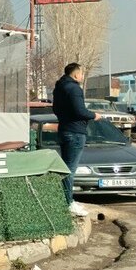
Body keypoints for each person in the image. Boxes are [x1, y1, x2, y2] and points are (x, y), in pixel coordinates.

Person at [52, 62, 101, 217]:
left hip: (64, 130)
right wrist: (94, 115)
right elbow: (80, 111)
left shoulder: (59, 88)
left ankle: (65, 200)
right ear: (75, 74)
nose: (82, 76)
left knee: (66, 167)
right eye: (82, 73)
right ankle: (68, 203)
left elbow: (55, 109)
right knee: (70, 170)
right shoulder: (74, 89)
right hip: (75, 132)